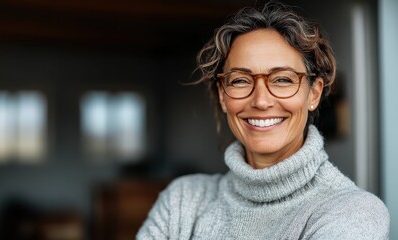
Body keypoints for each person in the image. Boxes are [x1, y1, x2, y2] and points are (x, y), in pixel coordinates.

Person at [137, 2, 390, 239]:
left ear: (313, 93)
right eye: (240, 80)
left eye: (282, 79)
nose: (261, 101)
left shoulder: (353, 211)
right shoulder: (182, 200)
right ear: (223, 96)